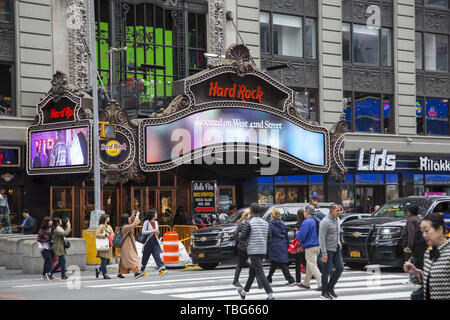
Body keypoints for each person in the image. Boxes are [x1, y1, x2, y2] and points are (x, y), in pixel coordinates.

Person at [404, 213, 450, 300]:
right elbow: (430, 281)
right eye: (422, 231)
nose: (424, 235)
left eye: (427, 230)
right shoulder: (429, 252)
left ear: (440, 229)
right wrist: (416, 272)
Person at [237, 203, 275, 300]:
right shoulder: (265, 223)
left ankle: (270, 294)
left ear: (251, 211)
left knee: (260, 272)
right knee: (252, 272)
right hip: (262, 250)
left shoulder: (249, 222)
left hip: (253, 250)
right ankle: (244, 292)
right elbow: (270, 238)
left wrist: (239, 236)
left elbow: (243, 237)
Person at [319, 203, 344, 300]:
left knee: (340, 268)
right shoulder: (325, 222)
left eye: (339, 210)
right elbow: (321, 238)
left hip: (336, 248)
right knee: (326, 271)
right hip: (328, 250)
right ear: (331, 211)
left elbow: (337, 232)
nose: (339, 212)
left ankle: (330, 287)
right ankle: (324, 292)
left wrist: (338, 241)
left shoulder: (337, 219)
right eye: (337, 210)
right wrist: (324, 253)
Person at [266, 208, 296, 286]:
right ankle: (269, 278)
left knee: (281, 264)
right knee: (274, 262)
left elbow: (269, 235)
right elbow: (286, 234)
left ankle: (290, 279)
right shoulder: (282, 223)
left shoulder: (270, 224)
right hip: (282, 244)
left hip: (274, 245)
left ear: (272, 215)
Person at [297, 204, 322, 291]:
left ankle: (321, 283)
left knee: (312, 265)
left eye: (304, 211)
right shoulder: (318, 220)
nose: (303, 213)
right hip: (317, 245)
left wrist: (297, 234)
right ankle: (306, 283)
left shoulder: (306, 222)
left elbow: (301, 236)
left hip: (310, 246)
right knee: (309, 265)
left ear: (307, 213)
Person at [140, 210, 167, 277]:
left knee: (157, 255)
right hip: (148, 242)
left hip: (155, 241)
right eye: (155, 213)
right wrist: (153, 231)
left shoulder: (156, 222)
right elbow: (143, 232)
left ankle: (161, 269)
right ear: (152, 215)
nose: (156, 214)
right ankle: (141, 271)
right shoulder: (146, 222)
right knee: (145, 257)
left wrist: (157, 232)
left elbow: (157, 232)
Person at [117, 211, 143, 279]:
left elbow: (130, 221)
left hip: (127, 244)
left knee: (124, 258)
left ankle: (120, 272)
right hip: (126, 245)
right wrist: (137, 216)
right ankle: (136, 271)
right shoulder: (125, 227)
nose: (129, 218)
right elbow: (134, 224)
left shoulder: (123, 226)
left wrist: (132, 215)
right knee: (130, 258)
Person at [402, 205, 427, 271]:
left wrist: (409, 246)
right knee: (420, 261)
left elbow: (411, 234)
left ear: (411, 212)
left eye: (408, 211)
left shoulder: (411, 220)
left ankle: (416, 277)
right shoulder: (420, 218)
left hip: (415, 244)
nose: (407, 212)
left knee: (413, 261)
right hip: (422, 243)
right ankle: (420, 275)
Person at [232, 209, 251, 287]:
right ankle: (235, 281)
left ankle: (236, 280)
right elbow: (235, 234)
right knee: (241, 264)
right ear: (246, 215)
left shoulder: (242, 223)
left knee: (247, 264)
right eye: (249, 214)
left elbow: (236, 235)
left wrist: (239, 241)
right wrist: (240, 241)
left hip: (244, 246)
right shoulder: (245, 223)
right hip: (245, 246)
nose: (251, 215)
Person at [95, 214, 115, 280]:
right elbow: (97, 234)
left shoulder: (109, 226)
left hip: (108, 245)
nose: (109, 218)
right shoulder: (100, 226)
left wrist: (110, 235)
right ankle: (105, 274)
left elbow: (112, 233)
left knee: (107, 260)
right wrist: (105, 235)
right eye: (107, 217)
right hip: (103, 245)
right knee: (104, 260)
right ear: (104, 219)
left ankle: (98, 270)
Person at [293, 208, 307, 285]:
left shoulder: (297, 224)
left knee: (297, 264)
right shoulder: (306, 223)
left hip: (298, 246)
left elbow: (296, 236)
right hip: (306, 245)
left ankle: (298, 280)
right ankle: (312, 276)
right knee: (306, 263)